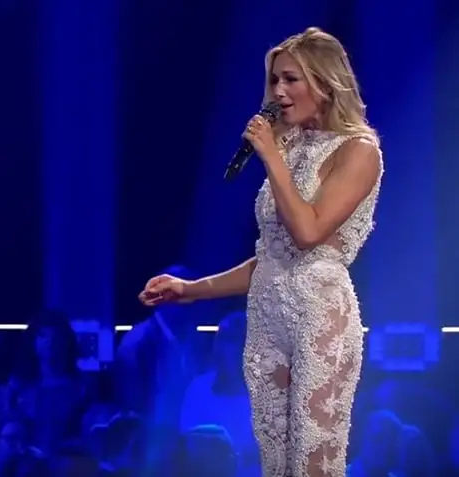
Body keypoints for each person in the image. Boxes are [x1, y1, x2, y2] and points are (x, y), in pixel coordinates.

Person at [139, 27, 383, 477]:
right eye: (274, 80)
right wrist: (190, 290)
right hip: (268, 316)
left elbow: (309, 232)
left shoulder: (358, 151)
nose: (278, 92)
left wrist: (271, 157)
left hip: (318, 316)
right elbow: (272, 258)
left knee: (312, 460)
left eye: (291, 79)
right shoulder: (289, 151)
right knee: (274, 461)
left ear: (325, 82)